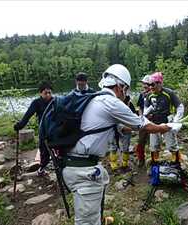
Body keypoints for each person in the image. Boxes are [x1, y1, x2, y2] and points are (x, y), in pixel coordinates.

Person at [62, 64, 171, 225]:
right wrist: (165, 127)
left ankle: (97, 219)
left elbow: (122, 127)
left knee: (93, 204)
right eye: (125, 89)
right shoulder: (111, 102)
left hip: (77, 164)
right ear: (120, 86)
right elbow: (143, 125)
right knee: (86, 222)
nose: (125, 93)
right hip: (83, 169)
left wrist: (134, 128)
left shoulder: (96, 99)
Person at [13, 82, 53, 176]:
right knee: (44, 151)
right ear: (40, 93)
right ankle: (42, 169)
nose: (48, 95)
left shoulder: (54, 101)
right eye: (45, 93)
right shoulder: (36, 103)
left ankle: (58, 166)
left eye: (50, 93)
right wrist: (20, 125)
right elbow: (28, 115)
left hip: (54, 130)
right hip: (43, 130)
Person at [144, 72, 184, 162]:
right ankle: (155, 164)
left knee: (171, 145)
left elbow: (180, 106)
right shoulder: (149, 95)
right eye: (149, 85)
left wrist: (176, 121)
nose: (150, 87)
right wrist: (146, 114)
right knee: (154, 146)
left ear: (160, 83)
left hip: (167, 123)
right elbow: (146, 108)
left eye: (153, 84)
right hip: (154, 123)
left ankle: (176, 163)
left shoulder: (169, 93)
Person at [109, 95, 136, 173]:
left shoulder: (130, 105)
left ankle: (124, 164)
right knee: (113, 146)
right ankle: (114, 165)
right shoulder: (114, 105)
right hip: (114, 128)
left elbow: (134, 116)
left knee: (125, 147)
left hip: (126, 128)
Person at [135, 75, 151, 167]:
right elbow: (139, 107)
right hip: (143, 122)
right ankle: (141, 159)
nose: (144, 86)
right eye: (144, 84)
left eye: (146, 84)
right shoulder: (141, 95)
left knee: (152, 143)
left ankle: (152, 160)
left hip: (152, 122)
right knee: (140, 142)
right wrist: (141, 116)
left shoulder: (153, 94)